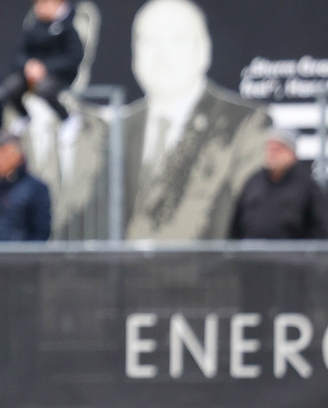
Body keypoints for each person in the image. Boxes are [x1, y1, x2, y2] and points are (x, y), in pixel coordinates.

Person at [124, 0, 270, 240]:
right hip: (128, 276)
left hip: (209, 275)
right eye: (150, 41)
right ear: (134, 54)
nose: (163, 54)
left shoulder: (245, 124)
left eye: (177, 40)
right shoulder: (119, 128)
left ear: (203, 50)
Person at [230, 129, 328, 240]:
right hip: (252, 254)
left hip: (290, 255)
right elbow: (236, 223)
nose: (272, 153)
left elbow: (321, 227)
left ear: (292, 153)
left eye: (278, 149)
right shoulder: (253, 182)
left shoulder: (307, 186)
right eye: (269, 148)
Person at [2, 0, 84, 130]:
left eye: (44, 2)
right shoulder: (34, 27)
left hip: (59, 76)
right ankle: (24, 116)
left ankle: (66, 118)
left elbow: (73, 58)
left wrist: (45, 68)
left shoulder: (70, 26)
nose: (39, 7)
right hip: (31, 75)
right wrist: (28, 65)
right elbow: (19, 53)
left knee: (44, 87)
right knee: (11, 86)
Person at [0, 132, 52, 241]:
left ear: (18, 156)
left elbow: (41, 229)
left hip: (21, 255)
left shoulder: (35, 188)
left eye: (2, 154)